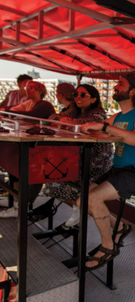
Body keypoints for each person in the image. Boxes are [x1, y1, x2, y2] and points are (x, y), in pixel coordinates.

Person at [79, 74, 135, 270]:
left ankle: (108, 245)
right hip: (119, 169)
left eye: (120, 84)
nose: (115, 86)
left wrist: (105, 127)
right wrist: (88, 129)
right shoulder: (117, 117)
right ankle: (120, 227)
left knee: (94, 198)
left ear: (134, 91)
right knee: (82, 201)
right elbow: (101, 131)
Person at [42, 84, 113, 229]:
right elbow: (54, 118)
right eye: (76, 94)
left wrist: (66, 121)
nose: (78, 98)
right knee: (50, 186)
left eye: (83, 95)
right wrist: (59, 118)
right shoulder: (74, 112)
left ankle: (83, 209)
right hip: (77, 161)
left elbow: (87, 125)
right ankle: (79, 208)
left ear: (93, 99)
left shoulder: (98, 114)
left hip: (96, 164)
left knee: (55, 184)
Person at [0, 81, 56, 218]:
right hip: (29, 143)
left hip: (40, 148)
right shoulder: (28, 103)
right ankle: (17, 201)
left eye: (31, 88)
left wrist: (7, 111)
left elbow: (30, 115)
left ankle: (21, 204)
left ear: (39, 90)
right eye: (27, 88)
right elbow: (15, 109)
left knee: (25, 169)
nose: (28, 90)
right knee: (14, 163)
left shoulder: (44, 105)